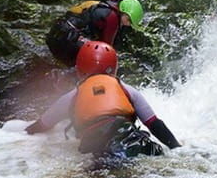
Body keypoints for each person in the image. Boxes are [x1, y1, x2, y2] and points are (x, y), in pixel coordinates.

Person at [26, 41, 181, 157]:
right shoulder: (127, 89)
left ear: (80, 68)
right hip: (134, 143)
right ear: (113, 67)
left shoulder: (72, 96)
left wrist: (21, 132)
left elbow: (42, 124)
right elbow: (154, 124)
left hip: (100, 151)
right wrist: (176, 148)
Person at [46, 0, 143, 68]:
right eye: (129, 20)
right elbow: (106, 47)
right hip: (67, 40)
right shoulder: (112, 18)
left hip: (56, 33)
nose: (128, 24)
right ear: (123, 12)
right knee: (101, 55)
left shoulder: (99, 4)